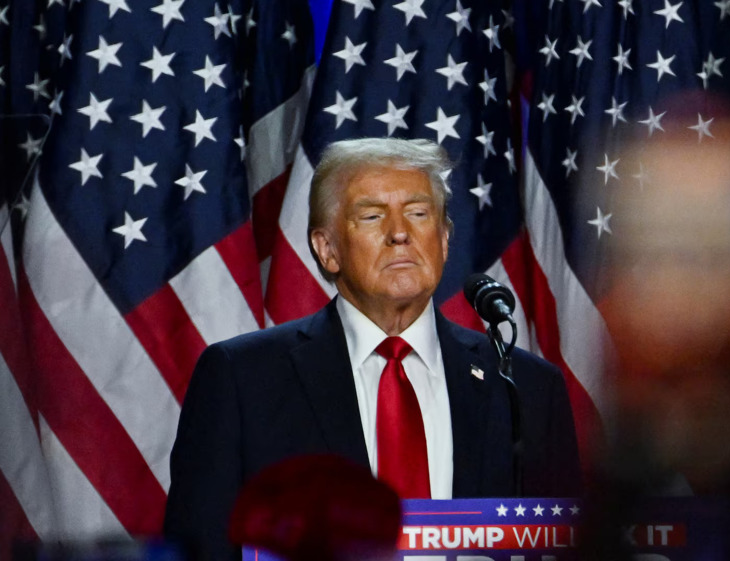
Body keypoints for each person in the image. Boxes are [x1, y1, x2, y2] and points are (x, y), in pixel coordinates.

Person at [162, 137, 581, 561]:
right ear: (327, 250)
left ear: (444, 238)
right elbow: (200, 546)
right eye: (372, 216)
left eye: (419, 214)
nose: (400, 233)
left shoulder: (525, 387)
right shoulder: (243, 378)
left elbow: (566, 545)